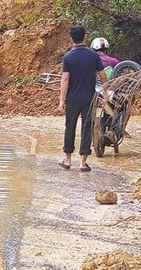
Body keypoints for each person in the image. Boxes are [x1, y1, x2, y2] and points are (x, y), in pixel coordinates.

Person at [59, 25, 109, 172]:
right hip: (89, 98)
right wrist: (105, 94)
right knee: (87, 128)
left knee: (70, 126)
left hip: (72, 98)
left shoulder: (68, 57)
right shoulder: (93, 56)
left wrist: (61, 101)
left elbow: (65, 79)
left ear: (71, 38)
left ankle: (67, 160)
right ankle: (82, 162)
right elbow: (103, 77)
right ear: (84, 37)